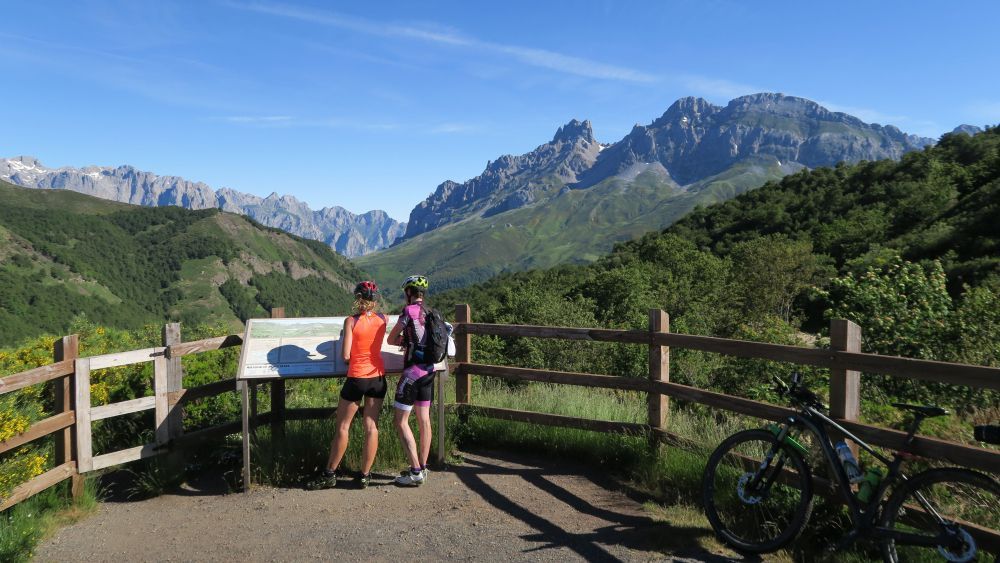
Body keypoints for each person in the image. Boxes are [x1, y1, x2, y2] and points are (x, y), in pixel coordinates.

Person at [307, 281, 387, 490]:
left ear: (358, 298)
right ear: (375, 299)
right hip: (378, 378)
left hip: (357, 377)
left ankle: (329, 474)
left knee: (343, 426)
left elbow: (345, 356)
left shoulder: (350, 321)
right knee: (371, 426)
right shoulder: (383, 319)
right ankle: (365, 475)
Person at [387, 274, 436, 486]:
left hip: (412, 373)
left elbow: (391, 339)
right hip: (429, 371)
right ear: (422, 294)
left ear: (408, 293)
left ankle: (415, 471)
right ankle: (423, 467)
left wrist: (404, 341)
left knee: (400, 421)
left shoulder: (408, 312)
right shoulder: (431, 312)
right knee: (424, 420)